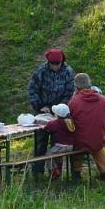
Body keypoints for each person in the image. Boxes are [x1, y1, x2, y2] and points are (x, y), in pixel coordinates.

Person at [27, 48, 75, 176]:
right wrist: (40, 105)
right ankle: (37, 172)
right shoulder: (40, 71)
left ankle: (55, 172)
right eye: (52, 64)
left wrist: (61, 108)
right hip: (42, 111)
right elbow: (32, 90)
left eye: (57, 64)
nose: (55, 67)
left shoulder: (68, 72)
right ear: (48, 62)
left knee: (57, 143)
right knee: (40, 142)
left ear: (62, 62)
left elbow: (70, 92)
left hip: (60, 113)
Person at [68, 73, 105, 181]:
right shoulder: (104, 100)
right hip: (98, 140)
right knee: (98, 146)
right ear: (90, 84)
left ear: (76, 86)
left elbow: (70, 124)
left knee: (77, 145)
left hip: (80, 141)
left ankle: (76, 173)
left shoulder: (74, 102)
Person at [44, 103, 75, 179]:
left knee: (48, 154)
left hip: (61, 147)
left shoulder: (56, 123)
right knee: (57, 155)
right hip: (71, 146)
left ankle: (54, 171)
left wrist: (52, 120)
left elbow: (47, 127)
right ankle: (59, 170)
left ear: (57, 115)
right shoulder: (70, 121)